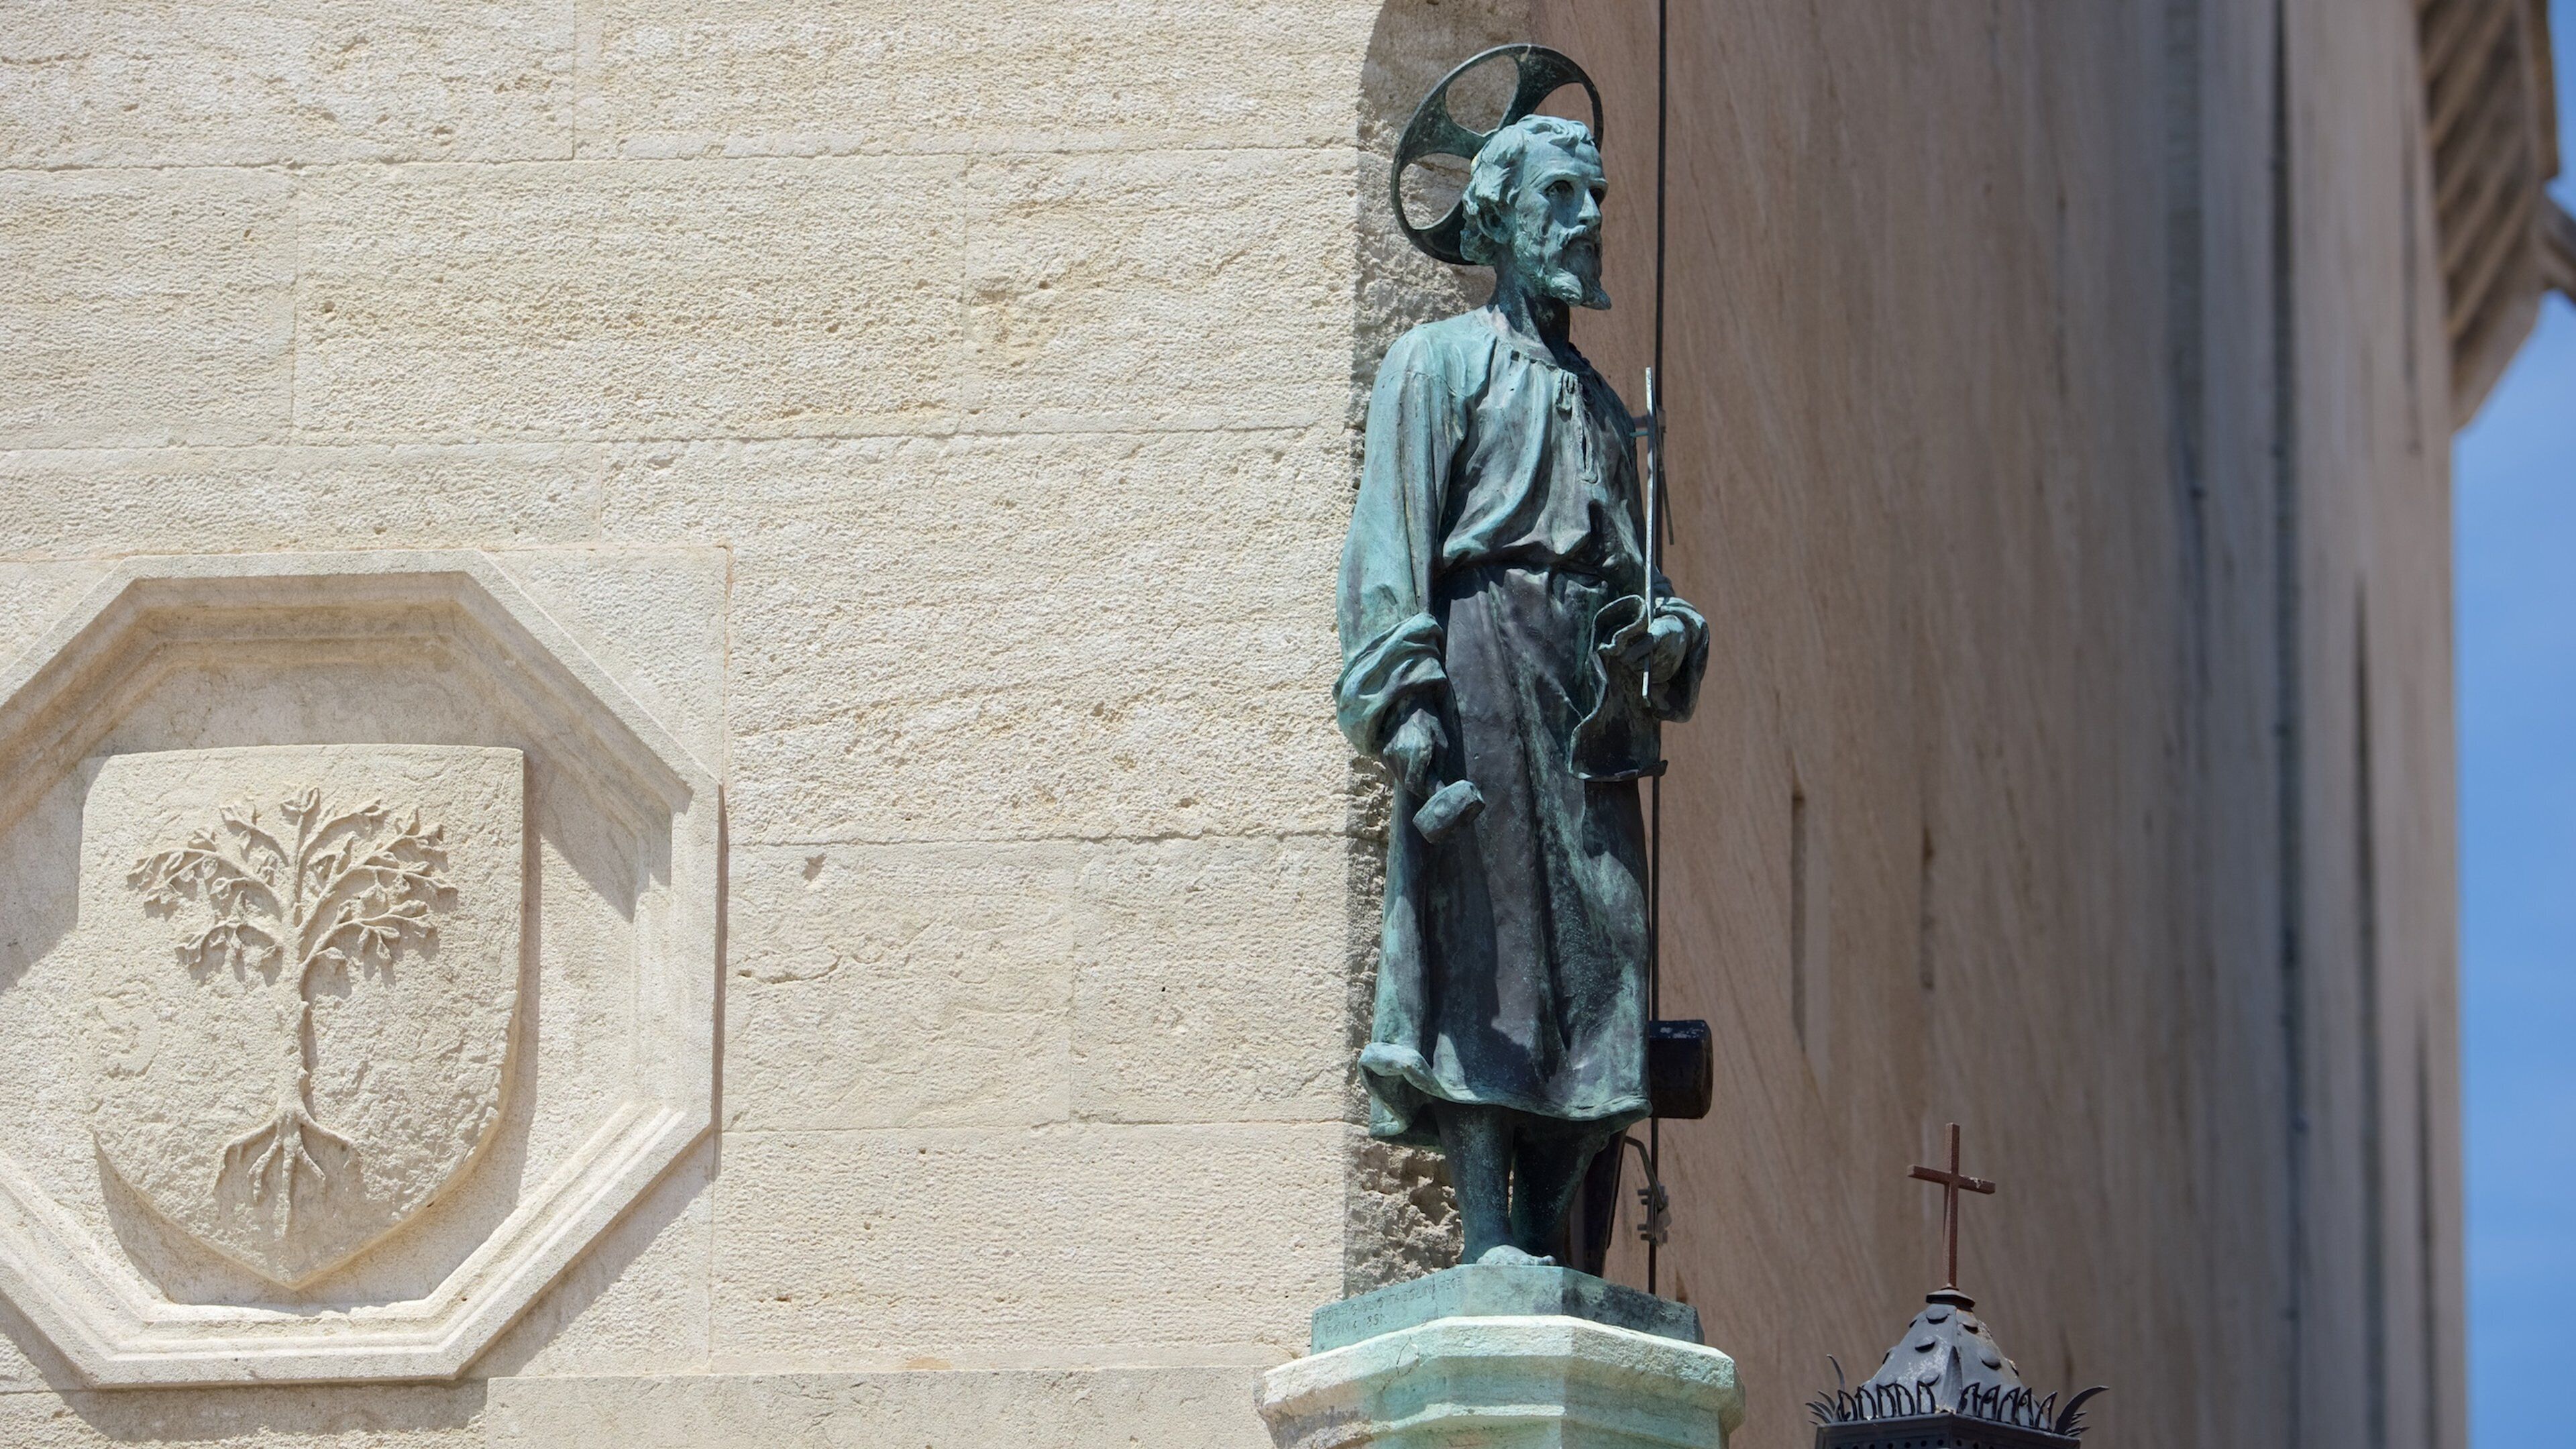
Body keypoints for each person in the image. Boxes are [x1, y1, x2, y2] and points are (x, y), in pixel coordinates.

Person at [1338, 112, 1710, 1267]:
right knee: (1488, 954)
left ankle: (1548, 1231)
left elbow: (1643, 584)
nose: (1589, 221)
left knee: (1609, 954)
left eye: (1594, 200)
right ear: (1498, 218)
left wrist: (1669, 634)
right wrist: (1404, 713)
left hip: (1586, 710)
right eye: (1561, 197)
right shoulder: (1439, 363)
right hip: (1483, 662)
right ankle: (1491, 1228)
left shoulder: (1606, 412)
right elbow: (1390, 545)